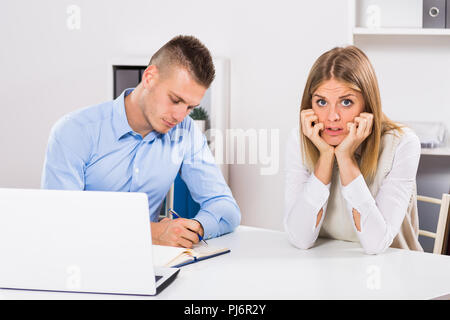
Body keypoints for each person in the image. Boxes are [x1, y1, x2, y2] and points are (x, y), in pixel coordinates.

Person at [42, 35, 240, 248]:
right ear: (149, 77)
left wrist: (194, 228)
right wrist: (153, 232)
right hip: (83, 260)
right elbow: (61, 220)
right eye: (175, 100)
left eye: (190, 107)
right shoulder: (74, 131)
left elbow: (225, 208)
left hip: (153, 263)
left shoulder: (186, 131)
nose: (180, 116)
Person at [284, 46, 423, 254]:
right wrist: (324, 157)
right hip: (329, 273)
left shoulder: (403, 144)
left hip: (394, 274)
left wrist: (345, 157)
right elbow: (300, 238)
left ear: (367, 105)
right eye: (321, 102)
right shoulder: (301, 139)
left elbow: (376, 244)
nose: (332, 117)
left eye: (346, 102)